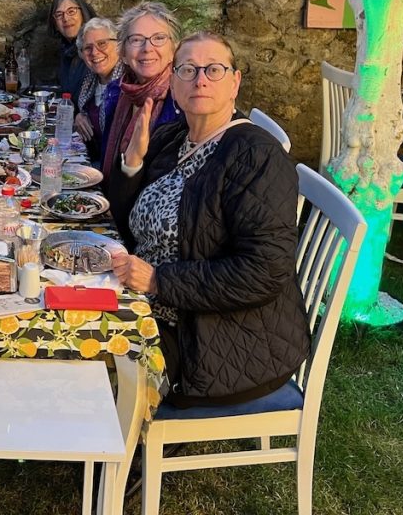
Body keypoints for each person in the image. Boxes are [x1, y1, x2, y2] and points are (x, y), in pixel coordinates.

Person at [108, 31, 309, 410]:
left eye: (214, 69)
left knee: (89, 370)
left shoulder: (257, 158)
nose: (200, 80)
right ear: (173, 83)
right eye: (188, 69)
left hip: (219, 340)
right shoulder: (172, 137)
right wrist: (132, 162)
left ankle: (117, 440)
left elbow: (264, 271)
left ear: (235, 82)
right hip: (149, 303)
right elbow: (123, 220)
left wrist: (158, 280)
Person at [99, 1, 181, 183]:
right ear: (123, 54)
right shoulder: (116, 92)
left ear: (173, 50)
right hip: (112, 193)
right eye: (136, 40)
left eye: (159, 38)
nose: (147, 48)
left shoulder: (182, 100)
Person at [73, 17, 124, 165]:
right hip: (94, 160)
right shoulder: (89, 82)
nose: (95, 52)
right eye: (88, 48)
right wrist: (80, 116)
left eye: (102, 44)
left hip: (117, 168)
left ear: (118, 45)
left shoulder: (127, 84)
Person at [47, 0, 97, 97]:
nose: (66, 18)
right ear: (55, 24)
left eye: (71, 11)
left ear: (83, 14)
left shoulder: (93, 48)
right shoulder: (65, 51)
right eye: (59, 15)